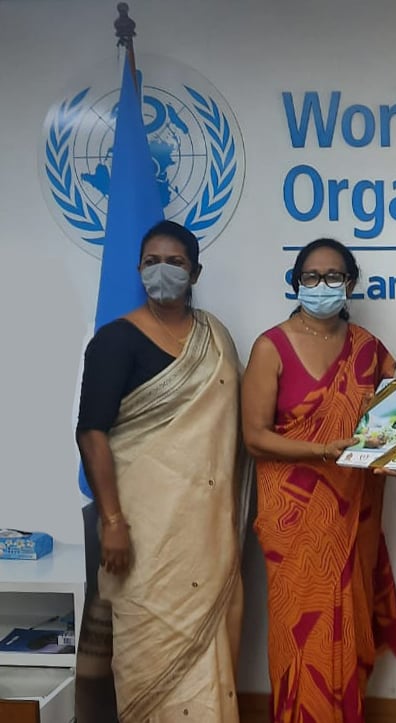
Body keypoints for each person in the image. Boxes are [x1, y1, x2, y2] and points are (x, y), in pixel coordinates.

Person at [75, 220, 250, 722]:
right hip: (142, 533)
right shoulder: (115, 341)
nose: (162, 271)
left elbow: (233, 429)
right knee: (146, 646)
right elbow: (92, 433)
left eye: (175, 262)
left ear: (195, 272)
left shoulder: (216, 337)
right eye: (151, 262)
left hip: (208, 535)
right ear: (137, 269)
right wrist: (112, 521)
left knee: (209, 656)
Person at [241, 238, 396, 723]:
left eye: (334, 276)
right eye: (311, 276)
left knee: (347, 625)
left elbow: (391, 425)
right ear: (297, 282)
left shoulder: (368, 351)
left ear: (349, 284)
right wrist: (320, 451)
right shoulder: (270, 347)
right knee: (298, 630)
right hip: (292, 519)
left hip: (352, 515)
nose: (322, 285)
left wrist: (394, 447)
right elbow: (254, 438)